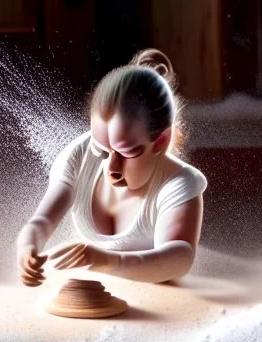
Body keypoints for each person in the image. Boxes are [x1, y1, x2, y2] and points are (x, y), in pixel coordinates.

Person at [16, 49, 207, 286]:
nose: (111, 169)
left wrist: (107, 261)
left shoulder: (179, 184)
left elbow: (179, 260)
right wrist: (27, 247)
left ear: (161, 141)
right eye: (102, 151)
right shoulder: (80, 155)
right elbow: (41, 221)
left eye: (127, 152)